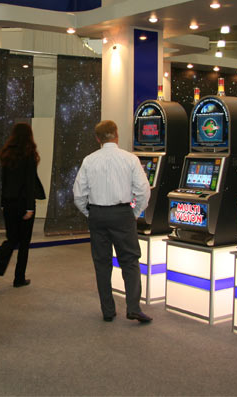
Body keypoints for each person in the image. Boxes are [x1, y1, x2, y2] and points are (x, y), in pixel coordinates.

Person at [73, 120, 152, 323]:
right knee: (130, 261)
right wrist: (135, 212)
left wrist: (90, 213)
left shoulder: (89, 160)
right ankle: (133, 308)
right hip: (123, 214)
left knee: (102, 263)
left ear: (97, 138)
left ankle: (108, 311)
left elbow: (78, 194)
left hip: (97, 214)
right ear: (117, 134)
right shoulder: (130, 159)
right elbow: (143, 190)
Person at [0, 123, 45, 288]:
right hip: (24, 203)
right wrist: (30, 207)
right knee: (24, 243)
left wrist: (3, 204)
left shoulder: (6, 154)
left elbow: (4, 182)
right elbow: (29, 183)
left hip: (9, 203)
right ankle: (19, 278)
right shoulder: (29, 155)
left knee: (11, 239)